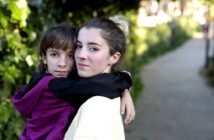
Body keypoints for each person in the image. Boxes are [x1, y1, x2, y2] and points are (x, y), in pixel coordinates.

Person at [12, 24, 134, 140]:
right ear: (44, 57)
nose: (62, 64)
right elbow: (99, 85)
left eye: (70, 56)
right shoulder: (52, 85)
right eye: (54, 55)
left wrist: (125, 90)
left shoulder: (57, 81)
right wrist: (125, 81)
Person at [49, 16, 135, 140]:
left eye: (93, 48)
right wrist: (124, 87)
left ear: (114, 58)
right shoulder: (107, 90)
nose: (80, 55)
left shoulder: (95, 106)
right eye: (79, 46)